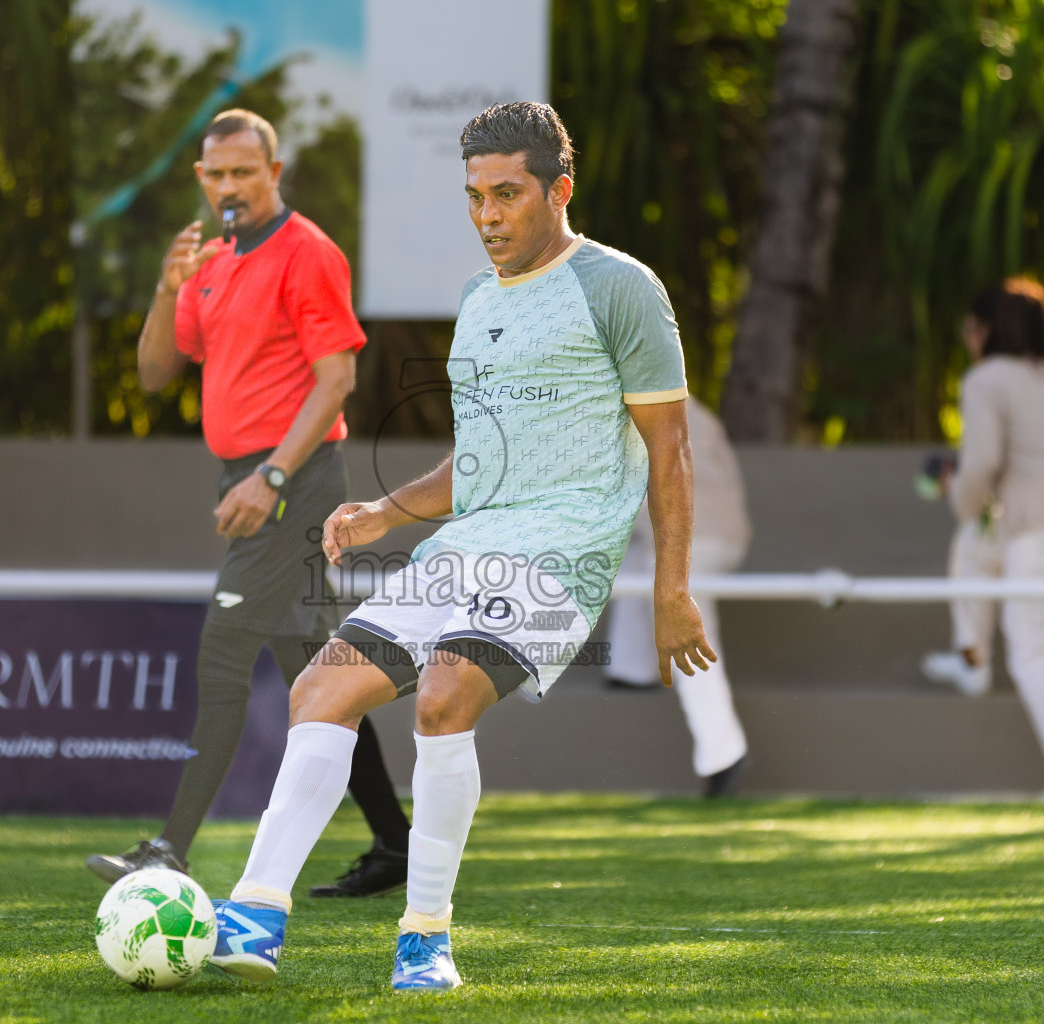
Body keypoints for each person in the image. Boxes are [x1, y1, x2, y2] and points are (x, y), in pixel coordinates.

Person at [199, 101, 715, 991]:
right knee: (322, 687)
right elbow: (480, 461)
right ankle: (253, 915)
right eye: (474, 196)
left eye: (506, 194)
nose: (486, 216)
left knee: (442, 696)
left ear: (559, 189)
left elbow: (669, 450)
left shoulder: (622, 287)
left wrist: (671, 591)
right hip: (466, 548)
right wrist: (386, 514)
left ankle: (424, 935)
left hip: (562, 559)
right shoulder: (478, 302)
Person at [85, 109, 412, 897]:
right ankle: (397, 846)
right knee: (322, 678)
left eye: (243, 171)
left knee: (222, 654)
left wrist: (269, 479)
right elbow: (158, 372)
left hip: (292, 484)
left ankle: (170, 850)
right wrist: (167, 291)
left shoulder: (308, 252)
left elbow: (337, 379)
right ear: (202, 179)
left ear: (274, 170)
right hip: (248, 480)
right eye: (216, 174)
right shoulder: (214, 258)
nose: (229, 186)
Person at [920, 279, 1044, 803]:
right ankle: (971, 658)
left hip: (1041, 529)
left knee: (1032, 650)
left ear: (985, 330)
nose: (967, 339)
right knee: (975, 547)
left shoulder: (986, 379)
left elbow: (982, 463)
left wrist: (959, 496)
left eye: (969, 329)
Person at [605, 396, 750, 795]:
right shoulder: (698, 408)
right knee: (638, 560)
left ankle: (724, 755)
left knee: (689, 635)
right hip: (727, 535)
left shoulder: (623, 408)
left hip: (691, 539)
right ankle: (632, 670)